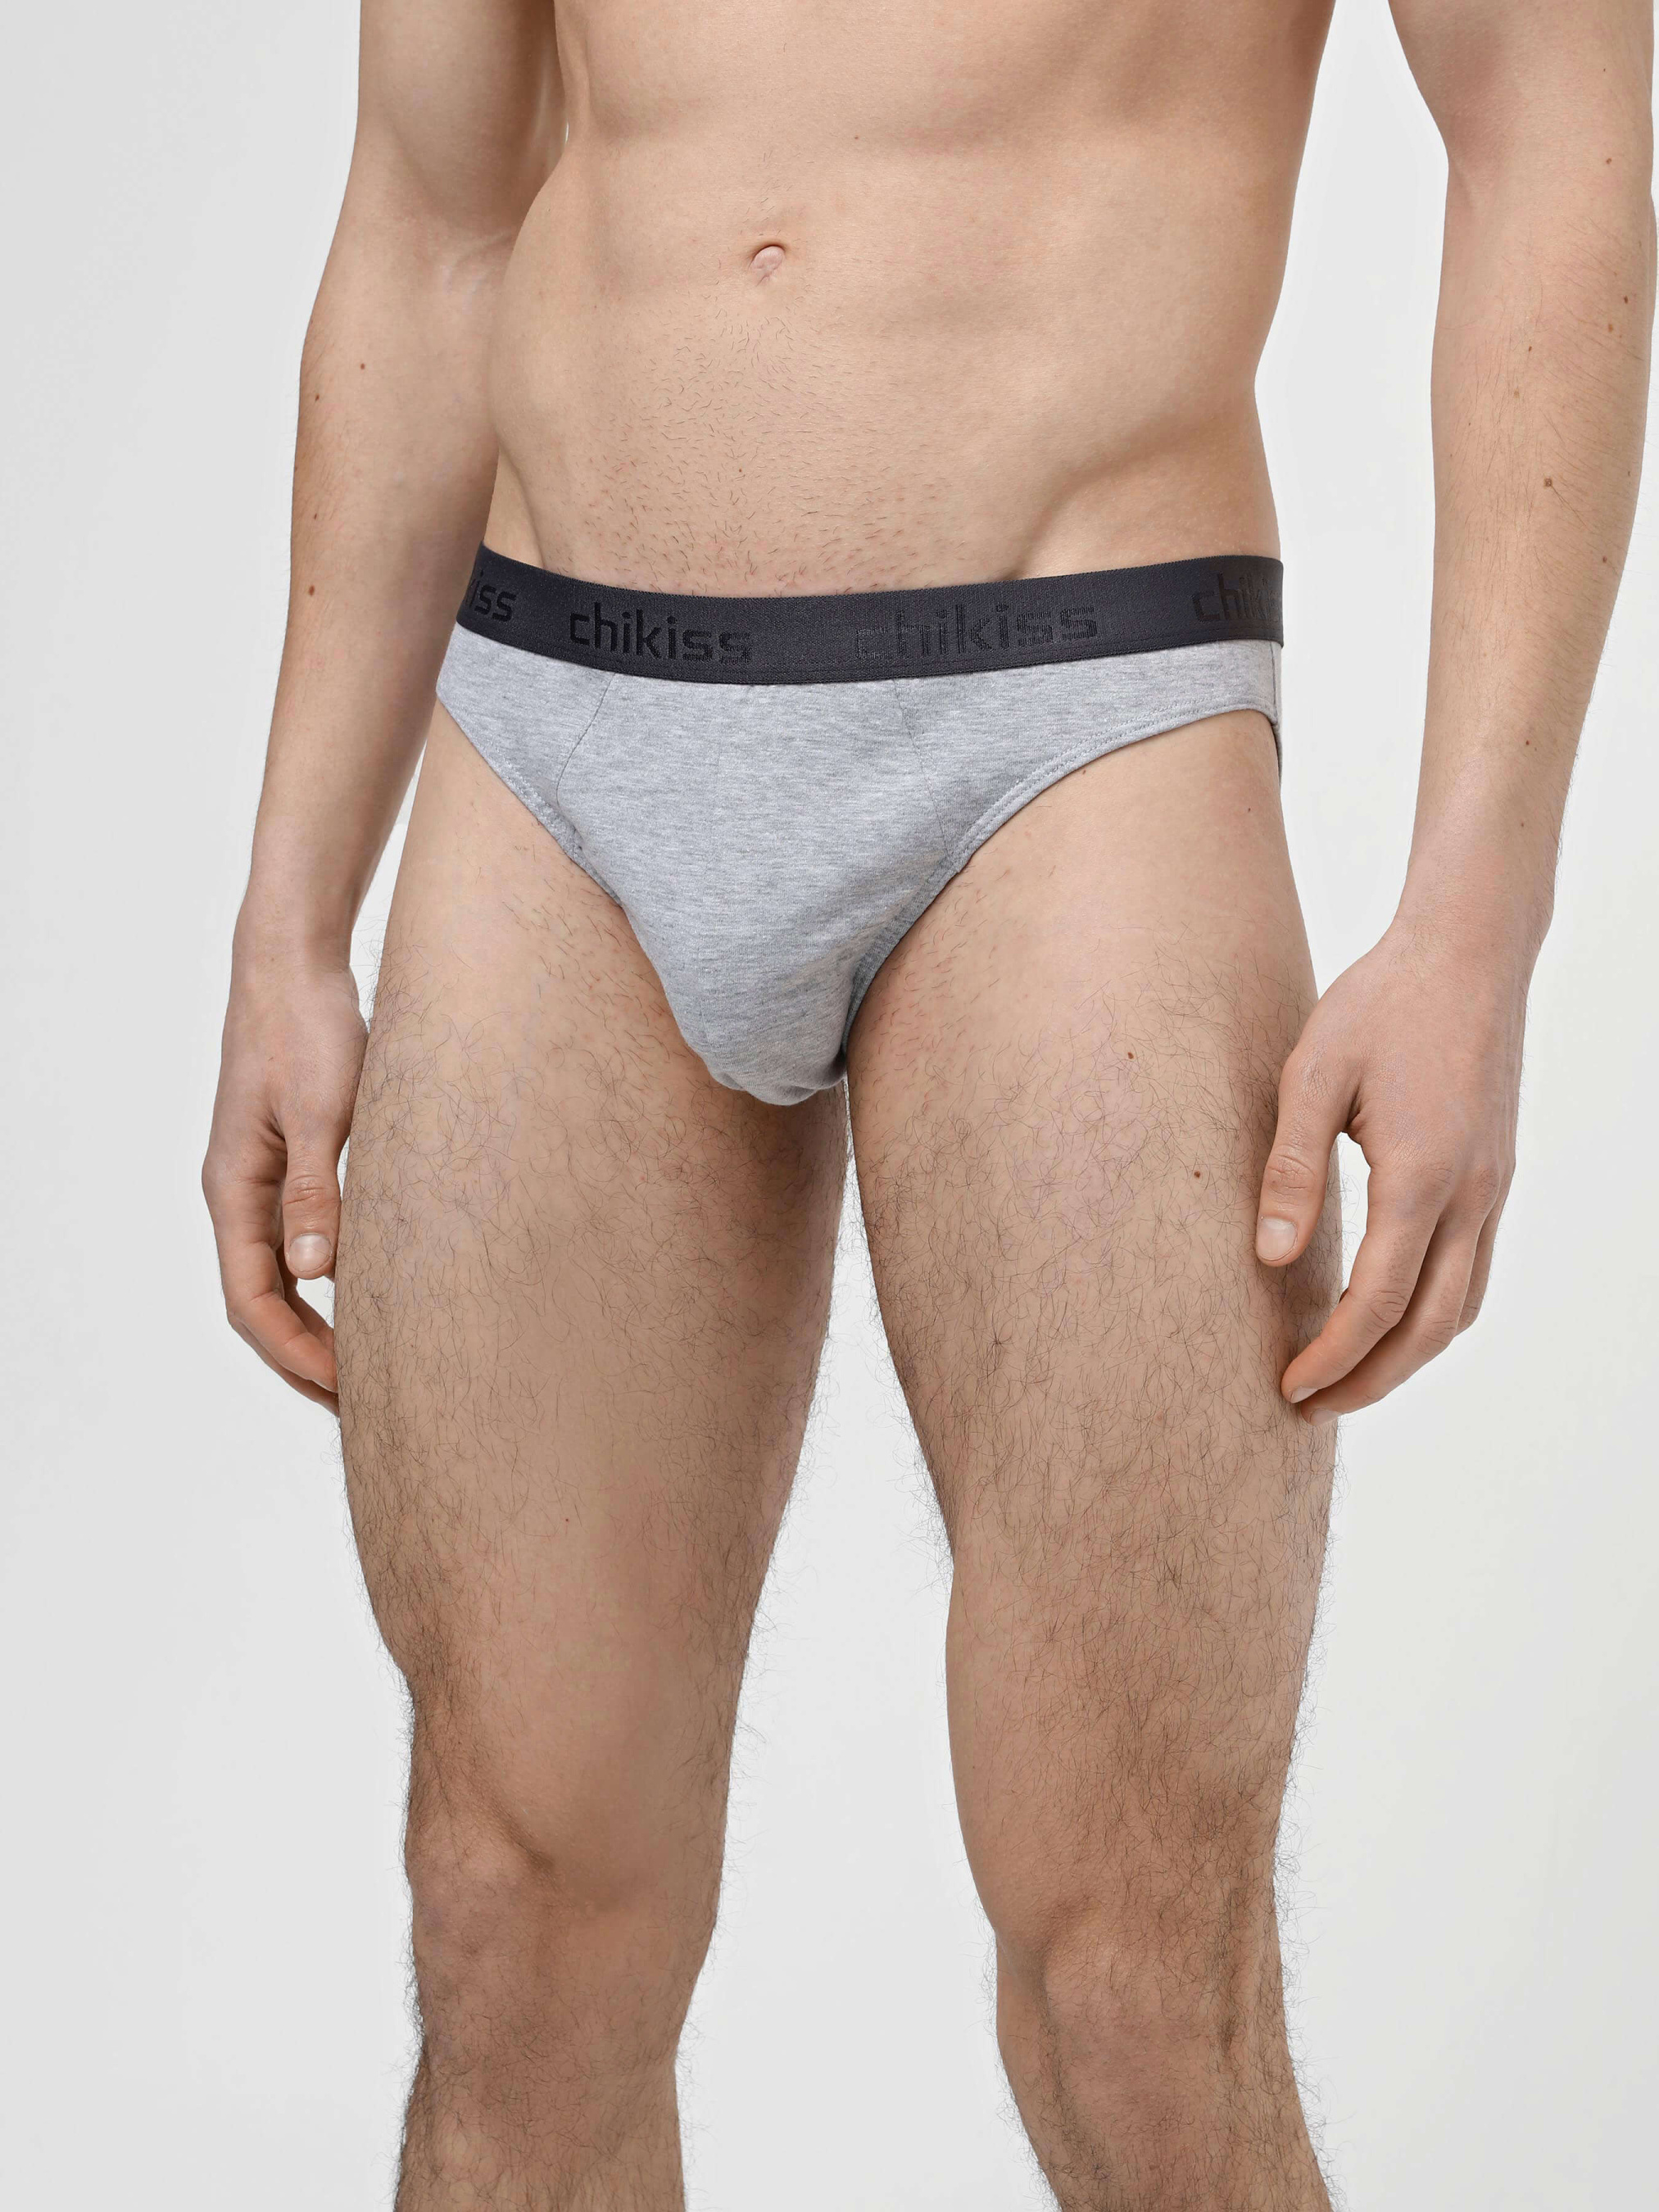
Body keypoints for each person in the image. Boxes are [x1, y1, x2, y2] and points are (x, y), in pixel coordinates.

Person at [202, 1, 1655, 2203]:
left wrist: (1478, 911)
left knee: (1130, 1974)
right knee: (512, 1912)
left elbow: (1550, 135)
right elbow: (431, 214)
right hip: (549, 729)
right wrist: (289, 912)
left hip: (1072, 720)